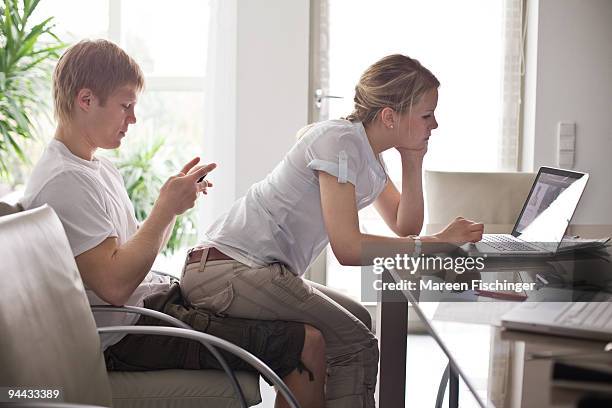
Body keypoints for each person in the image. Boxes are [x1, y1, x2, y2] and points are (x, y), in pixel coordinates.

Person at [21, 39, 326, 408]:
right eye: (125, 105)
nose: (132, 119)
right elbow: (116, 286)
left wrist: (173, 206)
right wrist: (164, 210)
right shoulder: (63, 181)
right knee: (306, 345)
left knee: (286, 312)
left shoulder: (97, 168)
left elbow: (131, 257)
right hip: (127, 334)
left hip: (150, 310)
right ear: (86, 100)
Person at [181, 54, 485, 408]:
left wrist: (412, 160)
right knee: (355, 341)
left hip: (252, 270)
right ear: (390, 116)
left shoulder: (366, 154)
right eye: (426, 114)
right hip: (224, 270)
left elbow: (405, 224)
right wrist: (436, 244)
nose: (435, 124)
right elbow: (349, 248)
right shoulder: (340, 142)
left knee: (358, 318)